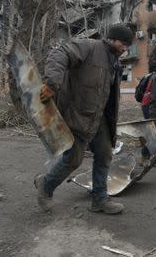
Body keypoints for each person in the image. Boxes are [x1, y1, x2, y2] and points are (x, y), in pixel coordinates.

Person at [33, 24, 133, 214]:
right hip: (77, 115)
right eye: (124, 43)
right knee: (73, 160)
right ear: (112, 38)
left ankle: (100, 199)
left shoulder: (115, 63)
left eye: (128, 45)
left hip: (100, 118)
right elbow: (59, 53)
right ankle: (45, 185)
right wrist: (52, 82)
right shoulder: (89, 47)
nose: (126, 48)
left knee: (105, 155)